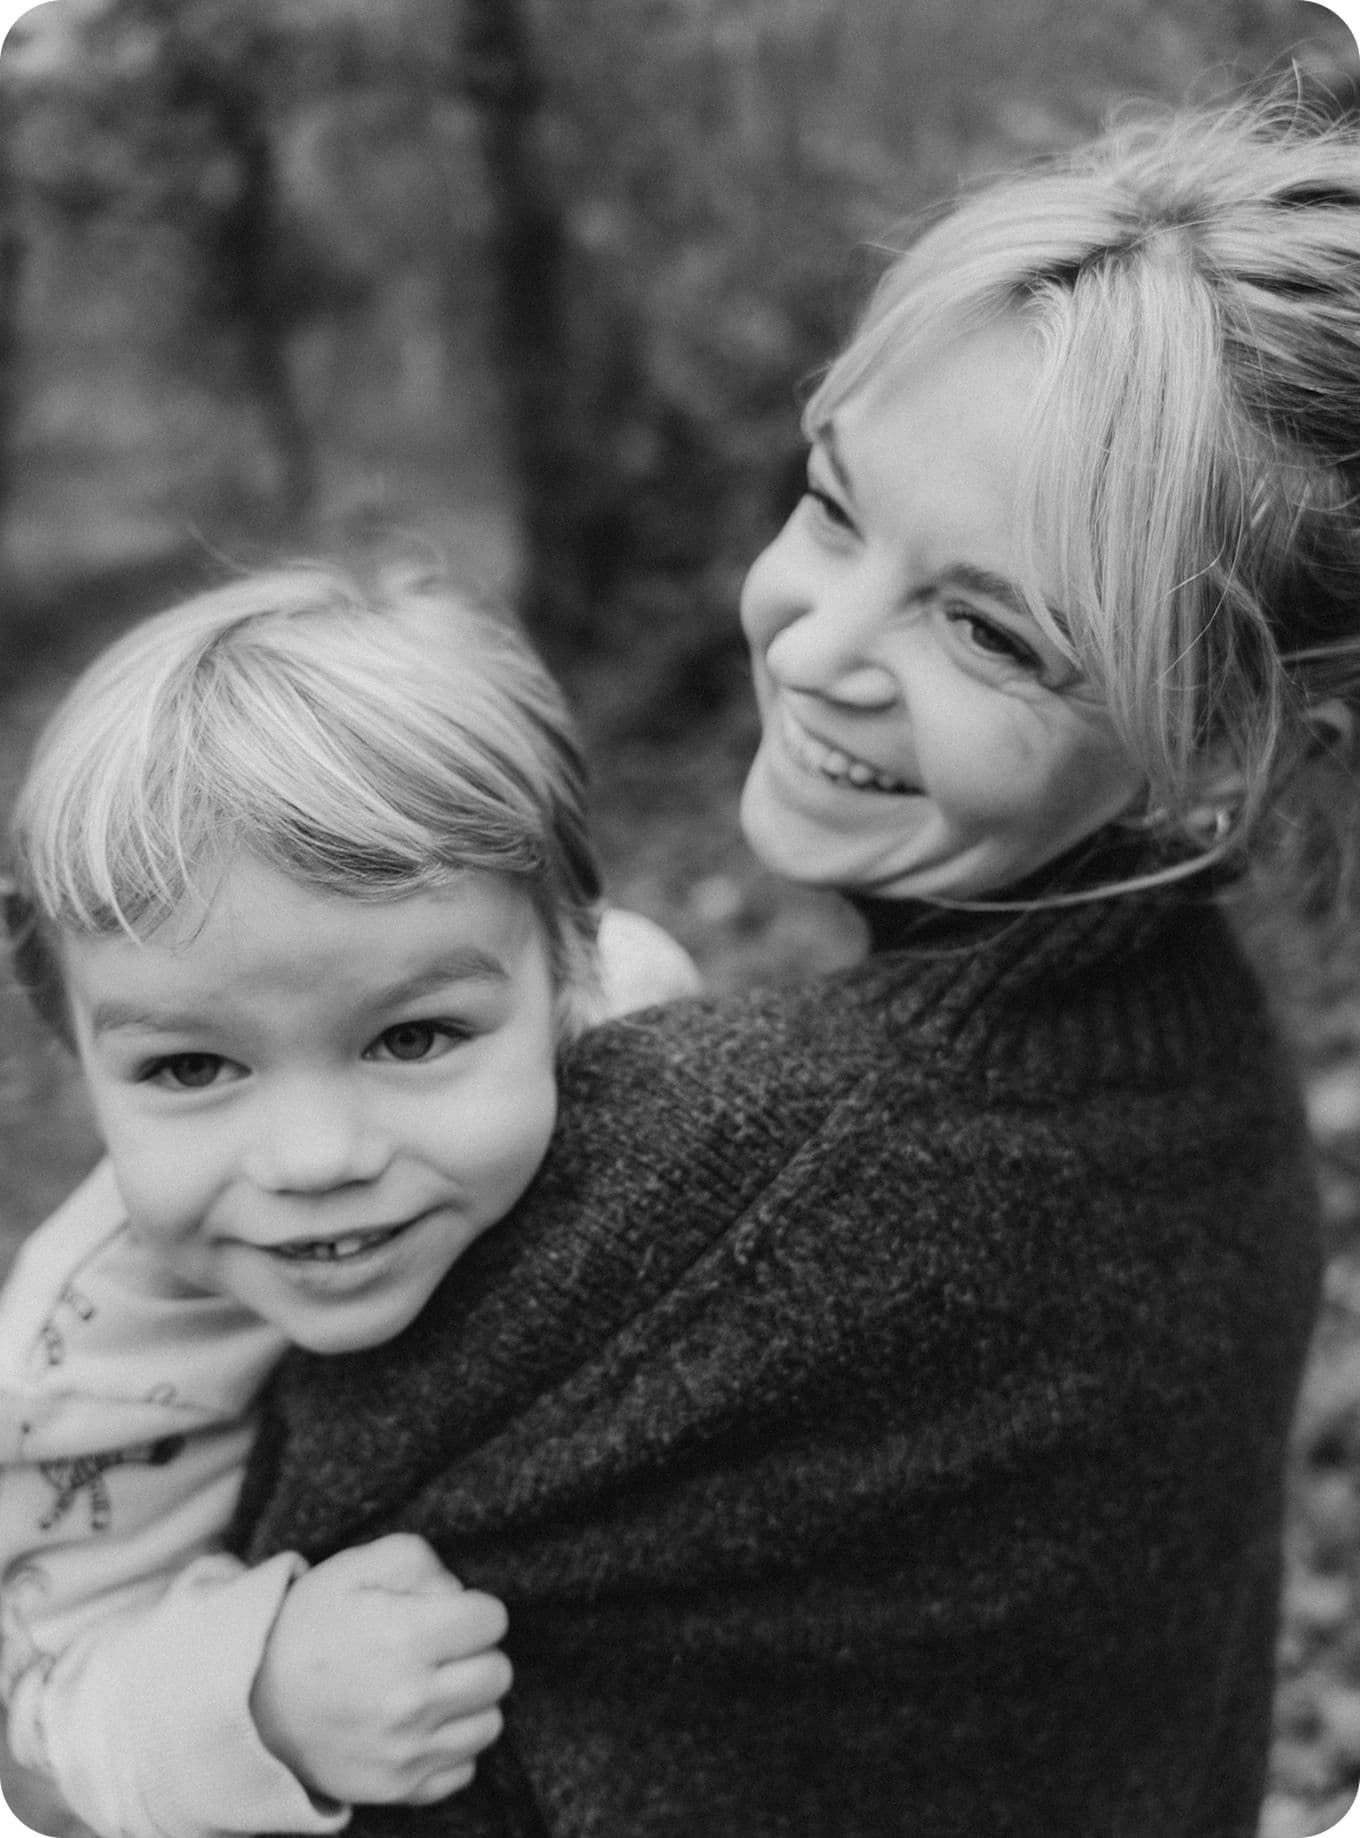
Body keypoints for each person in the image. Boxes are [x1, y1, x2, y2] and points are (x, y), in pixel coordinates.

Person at [234, 91, 1357, 1838]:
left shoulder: (757, 1164)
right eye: (833, 509)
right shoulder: (1206, 1064)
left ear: (1216, 746)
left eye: (990, 628)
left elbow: (130, 1565)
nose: (815, 640)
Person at [0, 561, 700, 1838]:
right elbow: (42, 1716)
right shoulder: (90, 1358)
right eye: (192, 1066)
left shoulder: (643, 1029)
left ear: (567, 974)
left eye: (412, 1038)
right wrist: (253, 1699)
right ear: (76, 1049)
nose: (314, 1155)